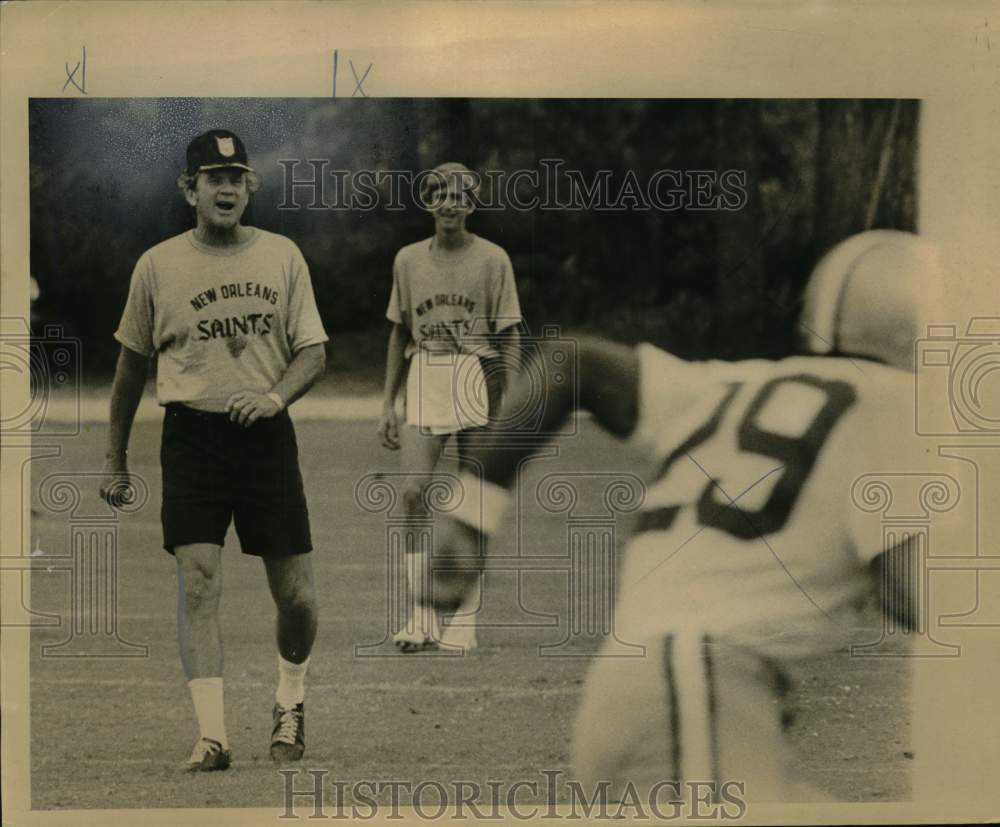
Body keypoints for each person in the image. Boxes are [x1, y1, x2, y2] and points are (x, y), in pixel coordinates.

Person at [427, 230, 942, 801]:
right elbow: (913, 590)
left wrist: (469, 515)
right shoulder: (900, 408)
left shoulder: (738, 383)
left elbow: (570, 364)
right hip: (699, 685)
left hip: (649, 692)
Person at [99, 130, 328, 772]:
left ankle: (290, 700)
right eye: (212, 178)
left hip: (265, 441)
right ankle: (213, 735)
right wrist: (114, 459)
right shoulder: (158, 264)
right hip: (192, 439)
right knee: (198, 581)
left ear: (250, 185)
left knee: (298, 596)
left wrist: (276, 398)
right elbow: (129, 368)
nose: (225, 189)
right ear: (189, 189)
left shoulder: (282, 256)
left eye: (236, 178)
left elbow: (314, 350)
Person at [377, 162, 522, 652]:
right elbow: (399, 332)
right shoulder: (408, 260)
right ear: (428, 202)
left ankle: (463, 619)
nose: (449, 203)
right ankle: (420, 617)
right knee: (414, 494)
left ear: (472, 203)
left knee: (472, 504)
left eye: (460, 195)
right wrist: (387, 403)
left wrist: (510, 398)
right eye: (439, 193)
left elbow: (509, 335)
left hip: (475, 374)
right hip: (426, 373)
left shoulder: (493, 259)